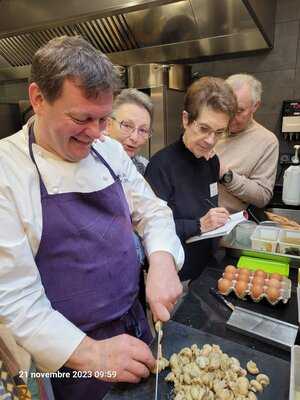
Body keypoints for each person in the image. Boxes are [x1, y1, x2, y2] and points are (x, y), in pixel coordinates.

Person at [0, 36, 184, 400]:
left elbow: (152, 210)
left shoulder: (108, 150)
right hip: (72, 357)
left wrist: (162, 261)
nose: (97, 133)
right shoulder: (7, 171)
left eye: (104, 119)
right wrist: (93, 353)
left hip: (134, 327)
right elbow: (15, 298)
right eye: (82, 118)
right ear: (38, 99)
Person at [145, 77, 237, 281]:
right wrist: (199, 225)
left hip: (209, 268)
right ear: (186, 120)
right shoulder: (161, 166)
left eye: (219, 132)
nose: (211, 141)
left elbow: (206, 202)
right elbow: (149, 229)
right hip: (178, 275)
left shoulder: (211, 161)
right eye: (204, 129)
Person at [215, 73, 279, 214]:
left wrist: (227, 176)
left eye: (239, 111)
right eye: (227, 109)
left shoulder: (267, 141)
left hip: (228, 226)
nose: (231, 118)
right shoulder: (212, 128)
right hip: (194, 219)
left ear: (255, 106)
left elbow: (263, 196)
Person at [106, 88, 152, 175]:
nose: (135, 138)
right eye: (127, 126)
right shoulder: (87, 165)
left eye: (143, 130)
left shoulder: (146, 169)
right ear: (107, 125)